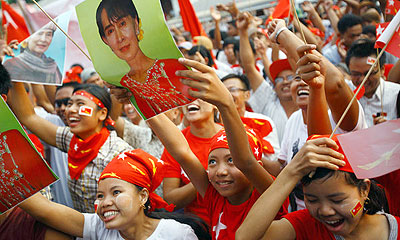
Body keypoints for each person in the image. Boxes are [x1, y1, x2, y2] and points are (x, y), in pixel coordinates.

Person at [147, 58, 288, 239]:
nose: (220, 171)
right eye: (212, 161)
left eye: (231, 160)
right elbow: (182, 153)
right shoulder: (215, 197)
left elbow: (245, 160)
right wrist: (138, 97)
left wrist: (225, 103)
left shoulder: (268, 194)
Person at [18, 149, 210, 240]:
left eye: (116, 192)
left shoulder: (176, 234)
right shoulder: (99, 227)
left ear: (143, 196)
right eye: (100, 196)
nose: (105, 202)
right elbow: (44, 210)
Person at [236, 135, 398, 240]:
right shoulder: (306, 226)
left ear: (364, 189)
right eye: (312, 200)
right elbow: (245, 237)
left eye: (337, 199)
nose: (325, 211)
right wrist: (290, 173)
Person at [8, 82, 133, 213]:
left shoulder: (118, 153)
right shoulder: (71, 139)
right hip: (83, 230)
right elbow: (29, 117)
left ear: (102, 114)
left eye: (80, 104)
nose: (71, 110)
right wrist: (16, 76)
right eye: (70, 104)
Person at [96, 0, 194, 119]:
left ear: (136, 24)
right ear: (105, 40)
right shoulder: (122, 88)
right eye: (110, 31)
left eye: (122, 24)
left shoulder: (175, 67)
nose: (119, 37)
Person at [345, 39, 400, 126]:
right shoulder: (345, 94)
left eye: (369, 73)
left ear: (382, 70)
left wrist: (391, 129)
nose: (363, 79)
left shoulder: (397, 94)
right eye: (356, 74)